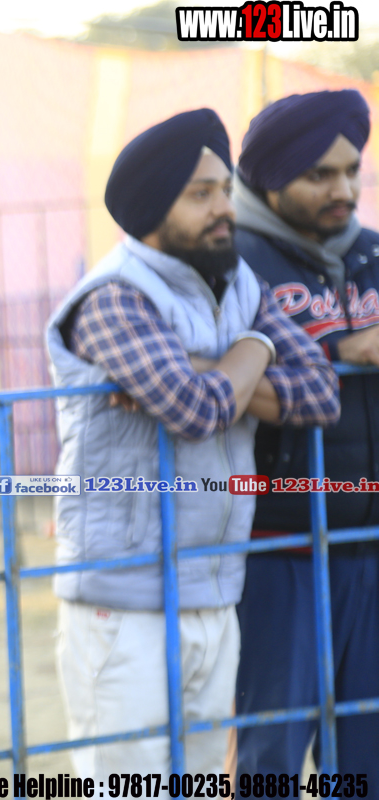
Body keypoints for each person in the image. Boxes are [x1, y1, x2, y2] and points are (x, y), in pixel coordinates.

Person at [44, 108, 340, 777]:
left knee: (206, 782)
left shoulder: (239, 286)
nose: (224, 209)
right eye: (200, 194)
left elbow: (322, 392)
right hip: (123, 601)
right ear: (154, 207)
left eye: (224, 191)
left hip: (214, 587)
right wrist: (257, 350)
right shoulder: (113, 296)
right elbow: (196, 411)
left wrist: (225, 361)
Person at [232, 88, 379, 774]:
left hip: (369, 547)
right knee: (271, 759)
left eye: (351, 171)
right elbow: (210, 371)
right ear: (272, 177)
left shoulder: (373, 254)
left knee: (368, 761)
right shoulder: (231, 264)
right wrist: (340, 352)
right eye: (320, 174)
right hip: (275, 549)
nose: (343, 189)